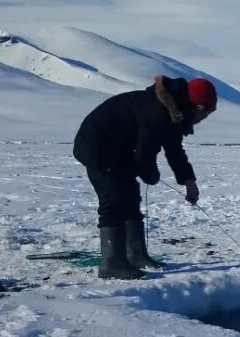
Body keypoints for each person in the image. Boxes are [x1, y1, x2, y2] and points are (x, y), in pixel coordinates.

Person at [73, 75, 218, 279]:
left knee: (130, 195)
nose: (202, 120)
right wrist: (150, 175)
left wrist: (189, 181)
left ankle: (136, 255)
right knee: (113, 200)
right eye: (205, 114)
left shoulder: (174, 113)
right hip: (97, 146)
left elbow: (174, 150)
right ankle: (112, 264)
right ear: (198, 107)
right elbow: (145, 154)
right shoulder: (157, 113)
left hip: (119, 149)